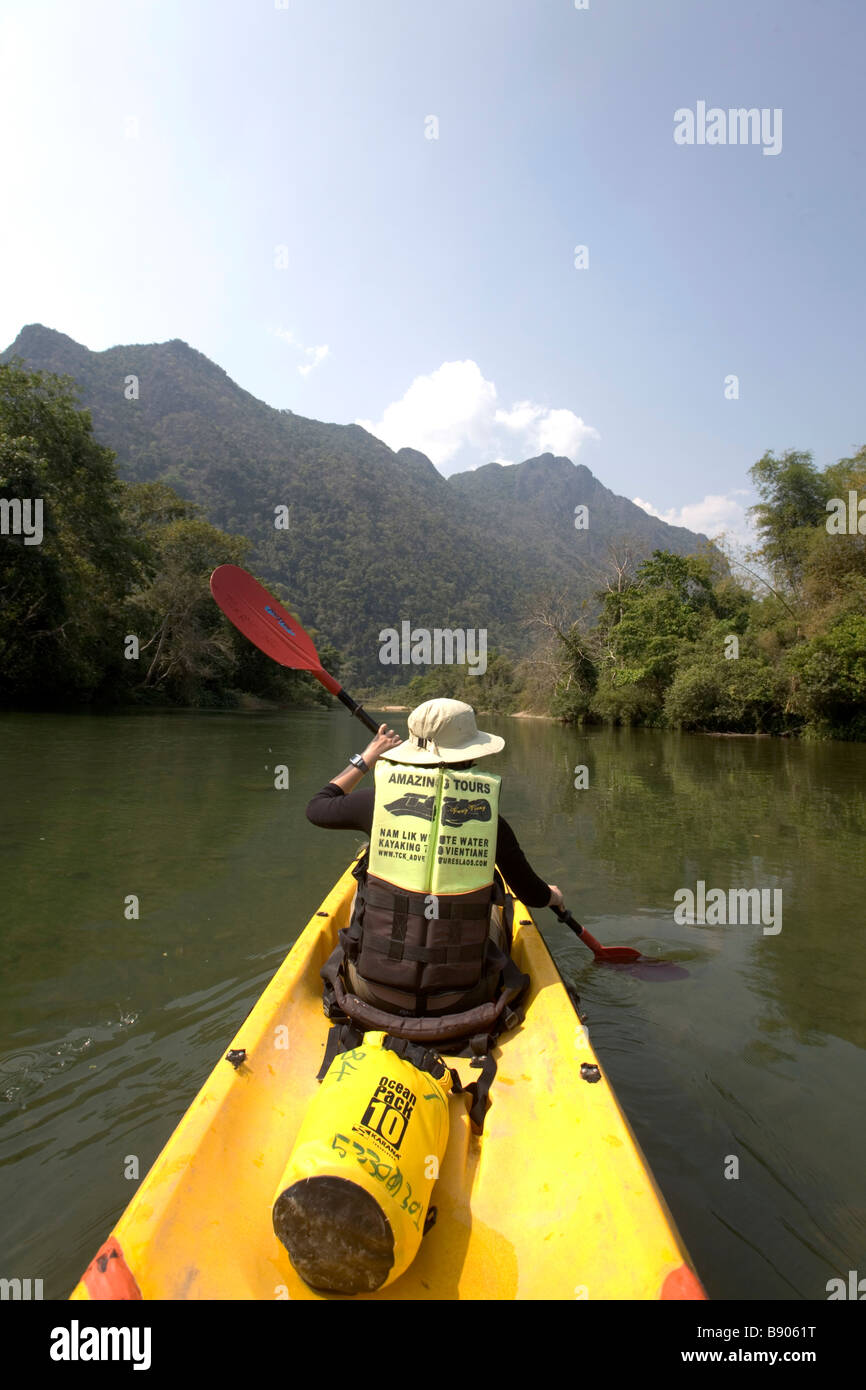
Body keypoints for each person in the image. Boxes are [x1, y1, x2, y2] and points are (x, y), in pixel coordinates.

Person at [306, 699, 564, 1077]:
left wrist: (368, 758)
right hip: (463, 999)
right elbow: (533, 895)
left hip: (370, 992)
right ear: (471, 753)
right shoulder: (491, 820)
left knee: (366, 872)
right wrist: (553, 896)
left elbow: (318, 806)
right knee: (498, 901)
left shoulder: (375, 803)